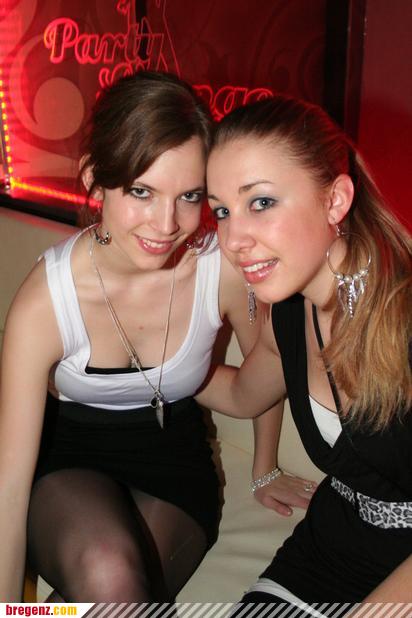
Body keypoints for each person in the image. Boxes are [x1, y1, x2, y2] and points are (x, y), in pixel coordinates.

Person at [0, 71, 314, 603]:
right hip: (67, 465)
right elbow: (8, 487)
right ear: (96, 179)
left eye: (189, 196)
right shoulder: (47, 301)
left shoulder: (220, 268)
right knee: (109, 576)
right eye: (141, 191)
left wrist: (264, 469)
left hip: (175, 468)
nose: (167, 224)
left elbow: (260, 366)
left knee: (116, 600)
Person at [199, 94, 412, 612]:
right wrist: (145, 361)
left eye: (261, 203)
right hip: (333, 551)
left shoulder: (403, 315)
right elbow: (243, 394)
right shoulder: (290, 314)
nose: (232, 239)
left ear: (335, 200)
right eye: (222, 211)